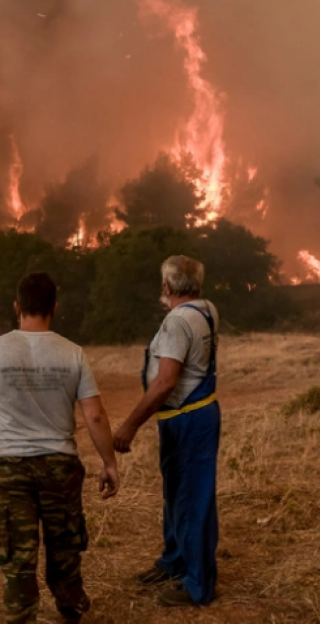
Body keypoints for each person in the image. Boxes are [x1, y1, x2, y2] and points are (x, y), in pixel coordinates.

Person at [0, 272, 120, 624]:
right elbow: (95, 416)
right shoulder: (72, 353)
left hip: (10, 466)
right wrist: (110, 463)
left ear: (17, 307)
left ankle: (21, 613)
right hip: (60, 464)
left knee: (17, 549)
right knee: (65, 545)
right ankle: (70, 606)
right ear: (53, 308)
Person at [113, 255, 220, 608]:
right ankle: (174, 560)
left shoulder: (177, 322)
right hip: (195, 414)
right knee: (178, 494)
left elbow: (164, 382)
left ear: (168, 286)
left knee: (192, 499)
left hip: (187, 418)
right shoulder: (207, 309)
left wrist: (129, 425)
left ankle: (197, 584)